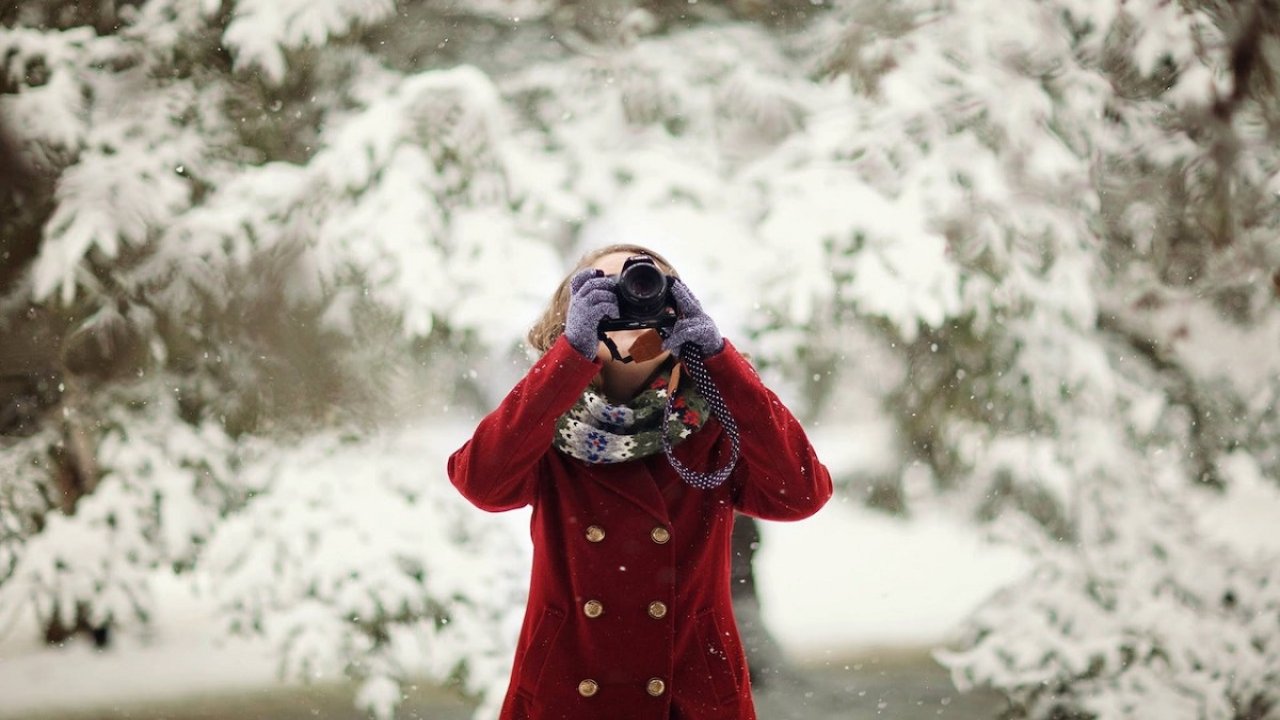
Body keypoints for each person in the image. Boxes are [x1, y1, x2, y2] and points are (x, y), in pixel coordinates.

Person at [448, 243, 832, 719]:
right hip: (568, 694)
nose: (626, 296)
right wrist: (570, 356)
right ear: (568, 314)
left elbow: (801, 494)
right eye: (601, 289)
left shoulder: (713, 419)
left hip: (689, 697)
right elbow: (481, 483)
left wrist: (719, 359)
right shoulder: (543, 419)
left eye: (645, 282)